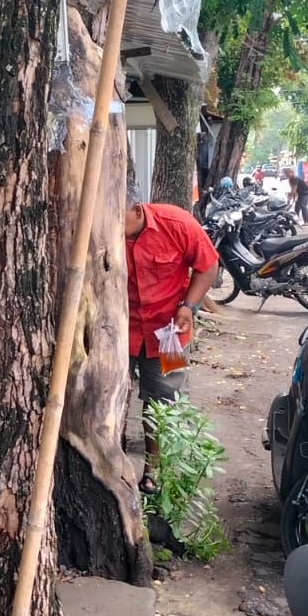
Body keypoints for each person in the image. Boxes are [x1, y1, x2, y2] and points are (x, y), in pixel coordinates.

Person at [124, 189, 219, 492]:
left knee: (164, 402)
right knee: (107, 396)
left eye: (117, 217)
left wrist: (188, 306)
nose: (110, 225)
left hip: (169, 334)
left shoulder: (177, 223)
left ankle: (155, 473)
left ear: (137, 210)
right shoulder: (96, 228)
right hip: (116, 332)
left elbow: (208, 266)